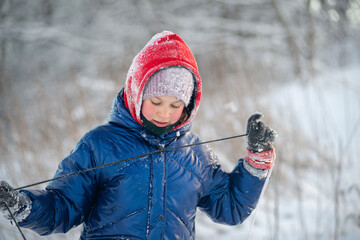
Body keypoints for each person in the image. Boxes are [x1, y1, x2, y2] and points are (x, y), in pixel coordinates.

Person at [0, 31, 277, 240]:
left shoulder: (196, 154)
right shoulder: (100, 145)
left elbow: (230, 208)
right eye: (156, 102)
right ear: (137, 92)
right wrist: (24, 206)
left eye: (176, 105)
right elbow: (62, 208)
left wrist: (256, 162)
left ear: (189, 105)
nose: (165, 114)